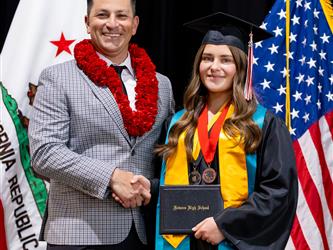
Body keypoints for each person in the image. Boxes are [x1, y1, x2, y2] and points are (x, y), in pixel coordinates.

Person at [28, 0, 174, 249]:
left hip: (144, 233)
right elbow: (44, 153)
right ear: (87, 23)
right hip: (79, 233)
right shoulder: (57, 78)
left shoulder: (162, 85)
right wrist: (111, 177)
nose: (112, 24)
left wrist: (150, 187)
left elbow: (168, 157)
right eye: (102, 15)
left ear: (135, 24)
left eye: (122, 16)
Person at [153, 12, 298, 250]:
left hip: (231, 241)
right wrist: (147, 187)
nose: (214, 67)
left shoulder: (263, 124)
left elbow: (278, 193)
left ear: (241, 67)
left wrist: (224, 225)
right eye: (207, 58)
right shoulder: (179, 122)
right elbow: (174, 187)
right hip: (184, 242)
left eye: (226, 60)